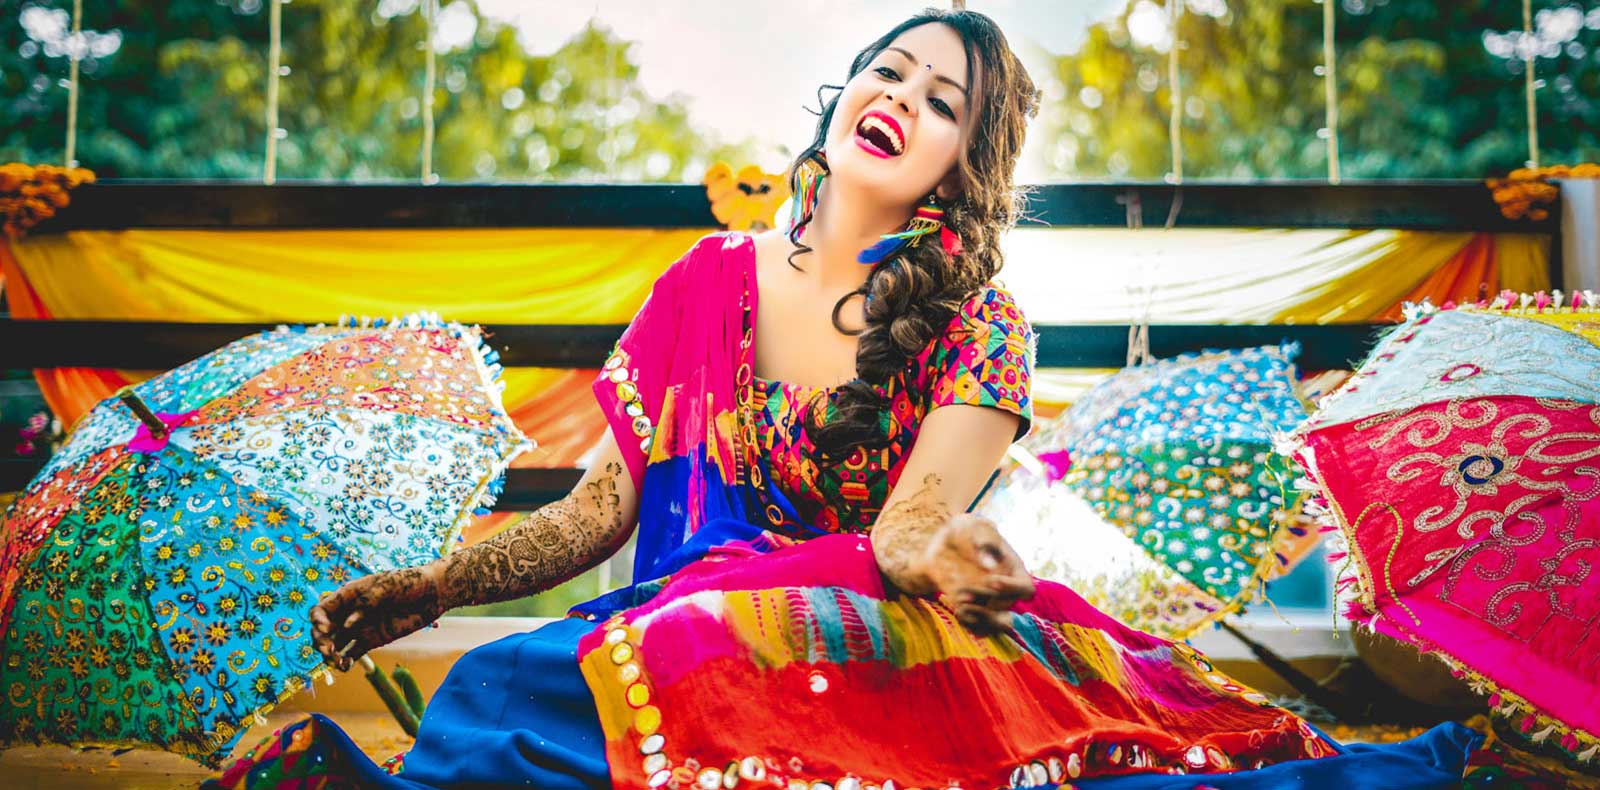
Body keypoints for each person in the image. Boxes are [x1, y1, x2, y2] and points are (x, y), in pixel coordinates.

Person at [207, 9, 1477, 790]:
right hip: (684, 620)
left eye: (943, 104)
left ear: (960, 164)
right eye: (891, 72)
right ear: (847, 92)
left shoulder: (979, 323)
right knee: (507, 682)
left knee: (678, 649)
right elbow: (598, 511)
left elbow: (912, 523)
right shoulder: (700, 284)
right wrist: (440, 583)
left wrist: (945, 555)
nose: (902, 102)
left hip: (878, 629)